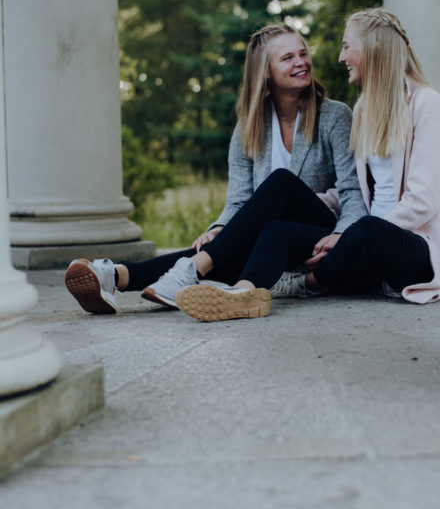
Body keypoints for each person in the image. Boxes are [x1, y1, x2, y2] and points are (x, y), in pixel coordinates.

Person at [173, 7, 440, 321]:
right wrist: (297, 208)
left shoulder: (427, 104)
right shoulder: (365, 108)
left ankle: (303, 283)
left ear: (373, 49)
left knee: (367, 228)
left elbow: (422, 202)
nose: (341, 58)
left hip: (416, 250)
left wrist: (348, 235)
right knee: (277, 229)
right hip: (362, 247)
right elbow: (356, 191)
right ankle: (244, 293)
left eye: (346, 46)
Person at [64, 22, 367, 316]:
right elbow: (238, 200)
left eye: (303, 53)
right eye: (288, 58)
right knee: (231, 244)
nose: (301, 62)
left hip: (320, 234)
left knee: (280, 183)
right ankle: (116, 277)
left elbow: (353, 192)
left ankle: (192, 268)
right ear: (266, 73)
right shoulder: (249, 127)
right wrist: (218, 229)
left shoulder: (335, 116)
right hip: (275, 237)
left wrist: (340, 234)